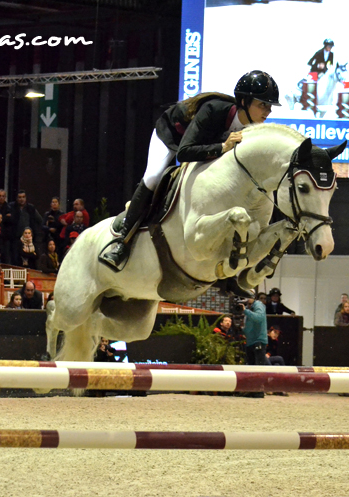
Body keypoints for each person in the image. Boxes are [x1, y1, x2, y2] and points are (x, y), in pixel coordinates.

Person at [98, 70, 280, 276]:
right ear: (245, 102)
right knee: (154, 176)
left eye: (269, 106)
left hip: (203, 147)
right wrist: (222, 147)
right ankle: (122, 242)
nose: (268, 111)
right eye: (262, 104)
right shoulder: (213, 110)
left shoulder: (253, 129)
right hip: (172, 137)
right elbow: (184, 152)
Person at [242, 296, 268, 398]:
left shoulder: (259, 305)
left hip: (258, 340)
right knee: (251, 366)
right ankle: (252, 389)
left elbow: (259, 318)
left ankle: (259, 390)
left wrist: (245, 311)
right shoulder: (249, 308)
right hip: (251, 341)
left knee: (258, 367)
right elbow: (249, 325)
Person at [9, 191, 42, 265]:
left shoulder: (31, 208)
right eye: (20, 197)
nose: (22, 199)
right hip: (16, 238)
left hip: (28, 238)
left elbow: (39, 220)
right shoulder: (11, 207)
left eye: (23, 197)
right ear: (17, 198)